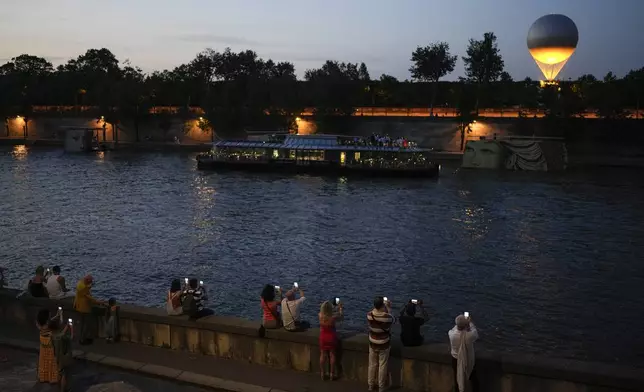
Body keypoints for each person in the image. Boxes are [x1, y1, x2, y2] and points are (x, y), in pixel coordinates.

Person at [367, 296, 395, 392]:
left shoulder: (369, 315)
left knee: (372, 365)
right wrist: (388, 308)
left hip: (372, 342)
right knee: (382, 365)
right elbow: (393, 320)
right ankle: (381, 387)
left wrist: (381, 306)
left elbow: (374, 311)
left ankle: (370, 385)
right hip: (383, 344)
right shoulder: (387, 317)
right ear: (382, 305)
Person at [448, 314, 479, 392]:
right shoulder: (469, 336)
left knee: (457, 378)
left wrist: (463, 324)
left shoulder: (452, 334)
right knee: (473, 378)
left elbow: (455, 328)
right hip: (468, 359)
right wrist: (470, 322)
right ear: (466, 324)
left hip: (455, 359)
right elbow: (475, 332)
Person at [73, 275, 106, 345]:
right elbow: (88, 297)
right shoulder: (83, 287)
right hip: (84, 308)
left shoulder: (80, 283)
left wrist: (89, 286)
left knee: (82, 324)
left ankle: (81, 338)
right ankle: (83, 339)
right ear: (87, 280)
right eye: (90, 282)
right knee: (86, 324)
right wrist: (99, 302)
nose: (90, 284)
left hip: (79, 306)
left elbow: (86, 291)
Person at [319, 300, 343, 381]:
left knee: (323, 354)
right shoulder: (332, 318)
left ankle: (322, 373)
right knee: (332, 354)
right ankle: (332, 374)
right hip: (331, 338)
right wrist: (340, 308)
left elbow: (324, 313)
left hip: (323, 337)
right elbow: (341, 316)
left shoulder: (320, 316)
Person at [36, 308, 60, 384]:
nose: (50, 317)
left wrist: (56, 315)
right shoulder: (49, 327)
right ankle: (52, 378)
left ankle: (43, 377)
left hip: (43, 349)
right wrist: (60, 315)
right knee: (51, 363)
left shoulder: (39, 325)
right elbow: (59, 324)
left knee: (44, 362)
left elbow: (48, 322)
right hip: (50, 349)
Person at [50, 318, 73, 392]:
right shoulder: (62, 337)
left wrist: (66, 327)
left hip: (56, 357)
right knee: (64, 375)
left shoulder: (51, 336)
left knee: (59, 374)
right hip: (63, 358)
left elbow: (61, 334)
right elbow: (71, 338)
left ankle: (59, 388)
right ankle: (62, 390)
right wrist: (72, 329)